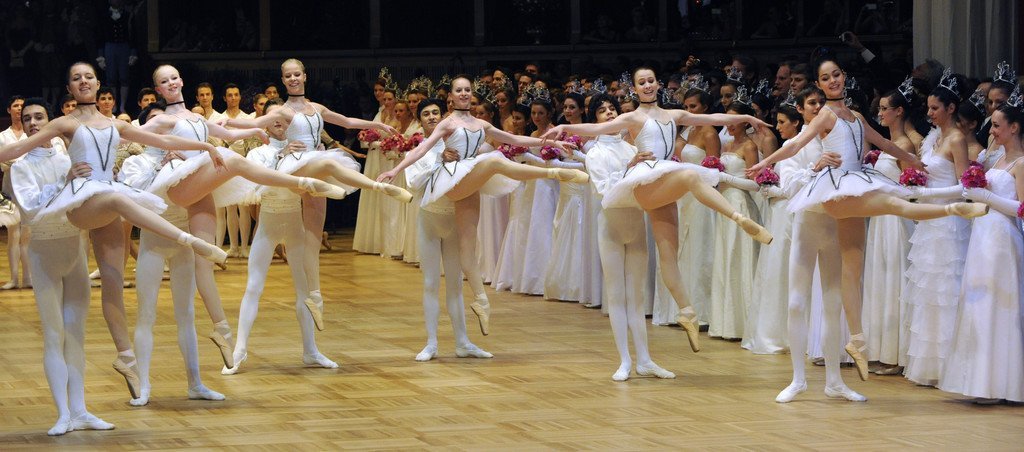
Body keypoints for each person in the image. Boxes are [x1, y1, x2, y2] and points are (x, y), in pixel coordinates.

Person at [746, 59, 986, 391]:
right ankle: (951, 208)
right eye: (826, 78)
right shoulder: (825, 115)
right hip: (836, 188)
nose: (833, 81)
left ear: (844, 77)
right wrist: (766, 163)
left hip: (857, 181)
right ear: (819, 83)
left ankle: (856, 338)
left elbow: (884, 143)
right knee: (892, 203)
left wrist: (912, 160)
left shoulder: (857, 117)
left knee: (853, 268)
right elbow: (796, 145)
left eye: (836, 75)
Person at [0, 62, 226, 402]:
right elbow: (13, 150)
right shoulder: (64, 123)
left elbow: (161, 139)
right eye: (76, 78)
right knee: (119, 199)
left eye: (88, 77)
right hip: (83, 200)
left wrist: (207, 147)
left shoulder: (115, 124)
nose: (83, 81)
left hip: (106, 198)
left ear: (98, 82)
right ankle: (191, 241)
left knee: (113, 282)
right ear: (70, 88)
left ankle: (125, 356)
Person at [543, 67, 773, 353]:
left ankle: (686, 311)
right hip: (646, 178)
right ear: (635, 89)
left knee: (669, 256)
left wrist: (747, 118)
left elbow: (713, 118)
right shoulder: (632, 117)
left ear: (658, 84)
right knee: (691, 175)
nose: (647, 85)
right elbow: (596, 128)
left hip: (663, 180)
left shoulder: (674, 115)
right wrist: (565, 128)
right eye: (642, 83)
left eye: (651, 81)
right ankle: (740, 219)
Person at [378, 75, 587, 336]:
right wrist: (395, 170)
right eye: (459, 90)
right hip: (452, 178)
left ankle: (481, 300)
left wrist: (553, 142)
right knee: (494, 160)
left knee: (468, 249)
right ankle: (554, 173)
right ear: (451, 96)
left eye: (467, 90)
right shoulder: (447, 123)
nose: (464, 94)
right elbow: (421, 149)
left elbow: (516, 140)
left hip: (470, 181)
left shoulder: (482, 124)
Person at [223, 59, 411, 331]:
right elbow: (255, 122)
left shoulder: (317, 108)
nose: (293, 79)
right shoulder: (283, 111)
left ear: (305, 76)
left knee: (312, 239)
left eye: (297, 74)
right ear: (283, 80)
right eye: (288, 76)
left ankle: (315, 296)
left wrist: (379, 126)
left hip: (317, 162)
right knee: (330, 164)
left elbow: (346, 121)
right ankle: (378, 186)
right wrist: (226, 122)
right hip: (298, 163)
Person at [11, 97, 111, 435]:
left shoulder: (67, 155)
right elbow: (32, 209)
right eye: (28, 118)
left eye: (39, 117)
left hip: (74, 250)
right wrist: (65, 180)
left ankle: (80, 410)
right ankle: (63, 414)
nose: (33, 123)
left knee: (76, 335)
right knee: (54, 335)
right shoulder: (21, 166)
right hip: (44, 254)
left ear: (50, 120)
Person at [225, 99, 344, 374]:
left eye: (284, 120)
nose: (279, 123)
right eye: (273, 119)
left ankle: (311, 351)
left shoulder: (303, 151)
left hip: (294, 222)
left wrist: (313, 155)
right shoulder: (259, 153)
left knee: (303, 290)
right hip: (268, 224)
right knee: (253, 286)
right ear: (265, 124)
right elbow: (259, 185)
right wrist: (281, 157)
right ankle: (239, 351)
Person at [118, 102, 224, 406]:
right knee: (146, 314)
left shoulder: (188, 160)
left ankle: (196, 383)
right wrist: (160, 167)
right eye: (159, 125)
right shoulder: (136, 163)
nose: (166, 130)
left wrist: (184, 162)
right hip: (153, 243)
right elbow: (135, 200)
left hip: (184, 242)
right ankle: (144, 386)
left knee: (186, 313)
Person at [940, 87, 1024, 404]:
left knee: (997, 307)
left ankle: (1000, 384)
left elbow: (1021, 208)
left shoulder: (1021, 163)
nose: (992, 131)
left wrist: (986, 196)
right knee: (979, 304)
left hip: (1002, 239)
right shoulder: (998, 158)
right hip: (983, 235)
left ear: (1014, 128)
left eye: (998, 126)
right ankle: (980, 381)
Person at [406, 98, 491, 361]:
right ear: (420, 120)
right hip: (429, 221)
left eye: (435, 113)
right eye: (426, 114)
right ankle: (431, 343)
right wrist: (438, 160)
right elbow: (413, 184)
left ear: (443, 117)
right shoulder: (418, 151)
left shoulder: (461, 147)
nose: (431, 117)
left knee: (455, 284)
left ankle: (462, 342)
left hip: (454, 221)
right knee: (431, 283)